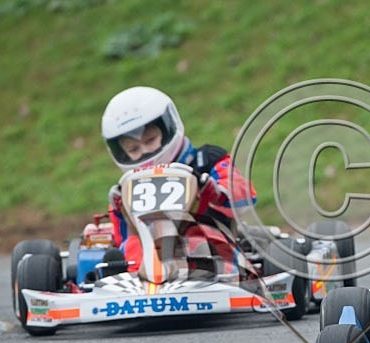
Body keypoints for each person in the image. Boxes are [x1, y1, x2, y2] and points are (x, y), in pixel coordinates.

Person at [100, 86, 257, 272]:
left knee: (198, 240)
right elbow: (121, 238)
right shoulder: (127, 188)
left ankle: (205, 276)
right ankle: (129, 284)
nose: (145, 151)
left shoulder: (207, 160)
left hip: (210, 246)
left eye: (150, 140)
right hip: (147, 256)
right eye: (134, 150)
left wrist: (214, 191)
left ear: (168, 129)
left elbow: (246, 195)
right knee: (130, 247)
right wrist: (119, 207)